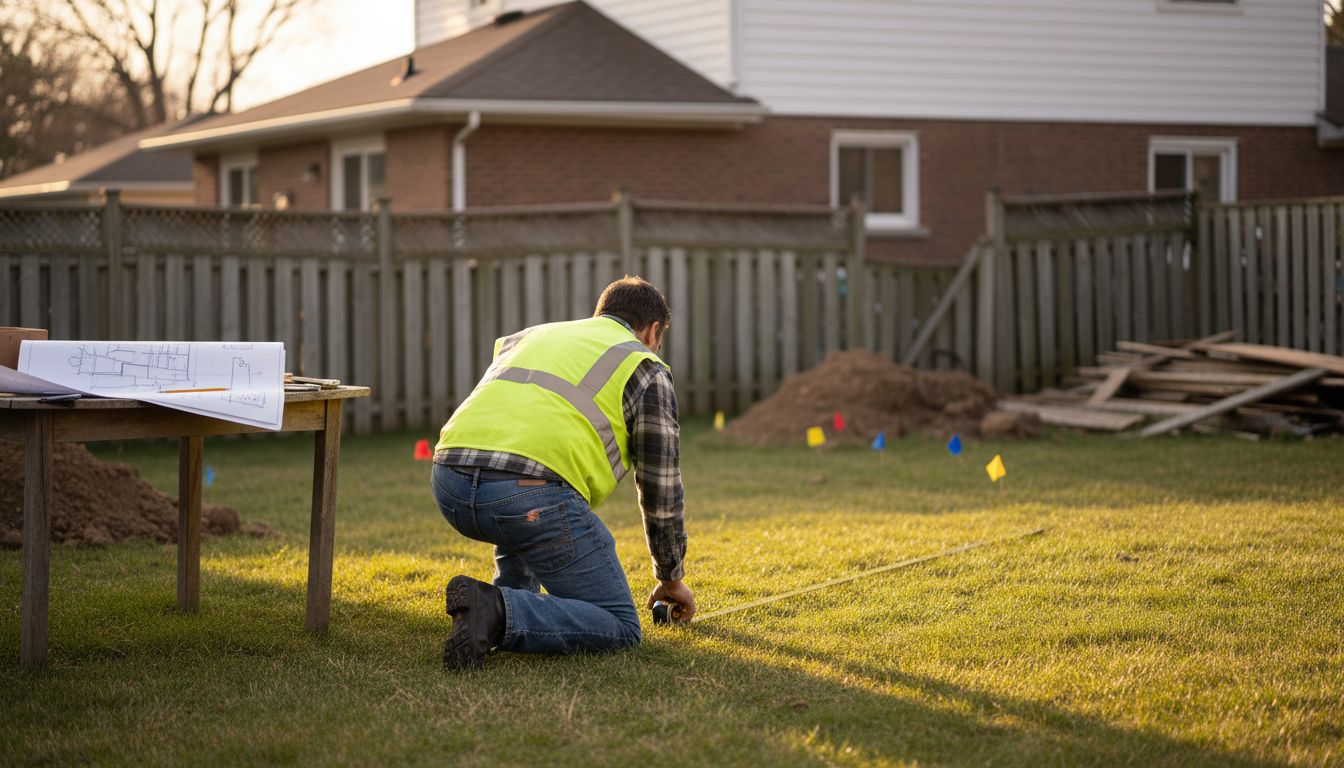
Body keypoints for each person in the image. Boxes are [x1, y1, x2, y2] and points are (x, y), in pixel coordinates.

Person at [430, 276, 694, 669]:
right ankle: (495, 610)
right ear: (653, 331)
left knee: (522, 505)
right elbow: (660, 488)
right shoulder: (645, 366)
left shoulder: (532, 337)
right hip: (527, 497)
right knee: (621, 625)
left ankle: (493, 608)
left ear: (599, 315)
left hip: (448, 482)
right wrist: (670, 577)